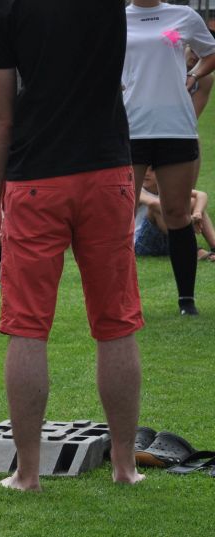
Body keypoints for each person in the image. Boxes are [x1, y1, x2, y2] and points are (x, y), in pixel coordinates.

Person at [0, 0, 145, 491]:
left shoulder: (1, 6)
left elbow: (0, 119)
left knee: (27, 326)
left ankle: (27, 473)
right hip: (108, 173)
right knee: (116, 322)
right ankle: (125, 467)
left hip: (36, 180)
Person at [123, 0, 215, 316]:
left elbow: (210, 52)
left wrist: (193, 74)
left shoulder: (183, 16)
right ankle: (122, 300)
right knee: (121, 216)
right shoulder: (116, 20)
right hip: (131, 129)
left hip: (175, 128)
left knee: (177, 212)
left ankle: (186, 300)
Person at [135, 167, 215, 259]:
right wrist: (186, 220)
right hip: (142, 244)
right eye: (144, 169)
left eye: (152, 169)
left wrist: (197, 213)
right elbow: (153, 203)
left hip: (169, 239)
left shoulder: (167, 188)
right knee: (154, 208)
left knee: (193, 202)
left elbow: (201, 195)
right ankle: (193, 250)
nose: (146, 173)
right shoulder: (137, 190)